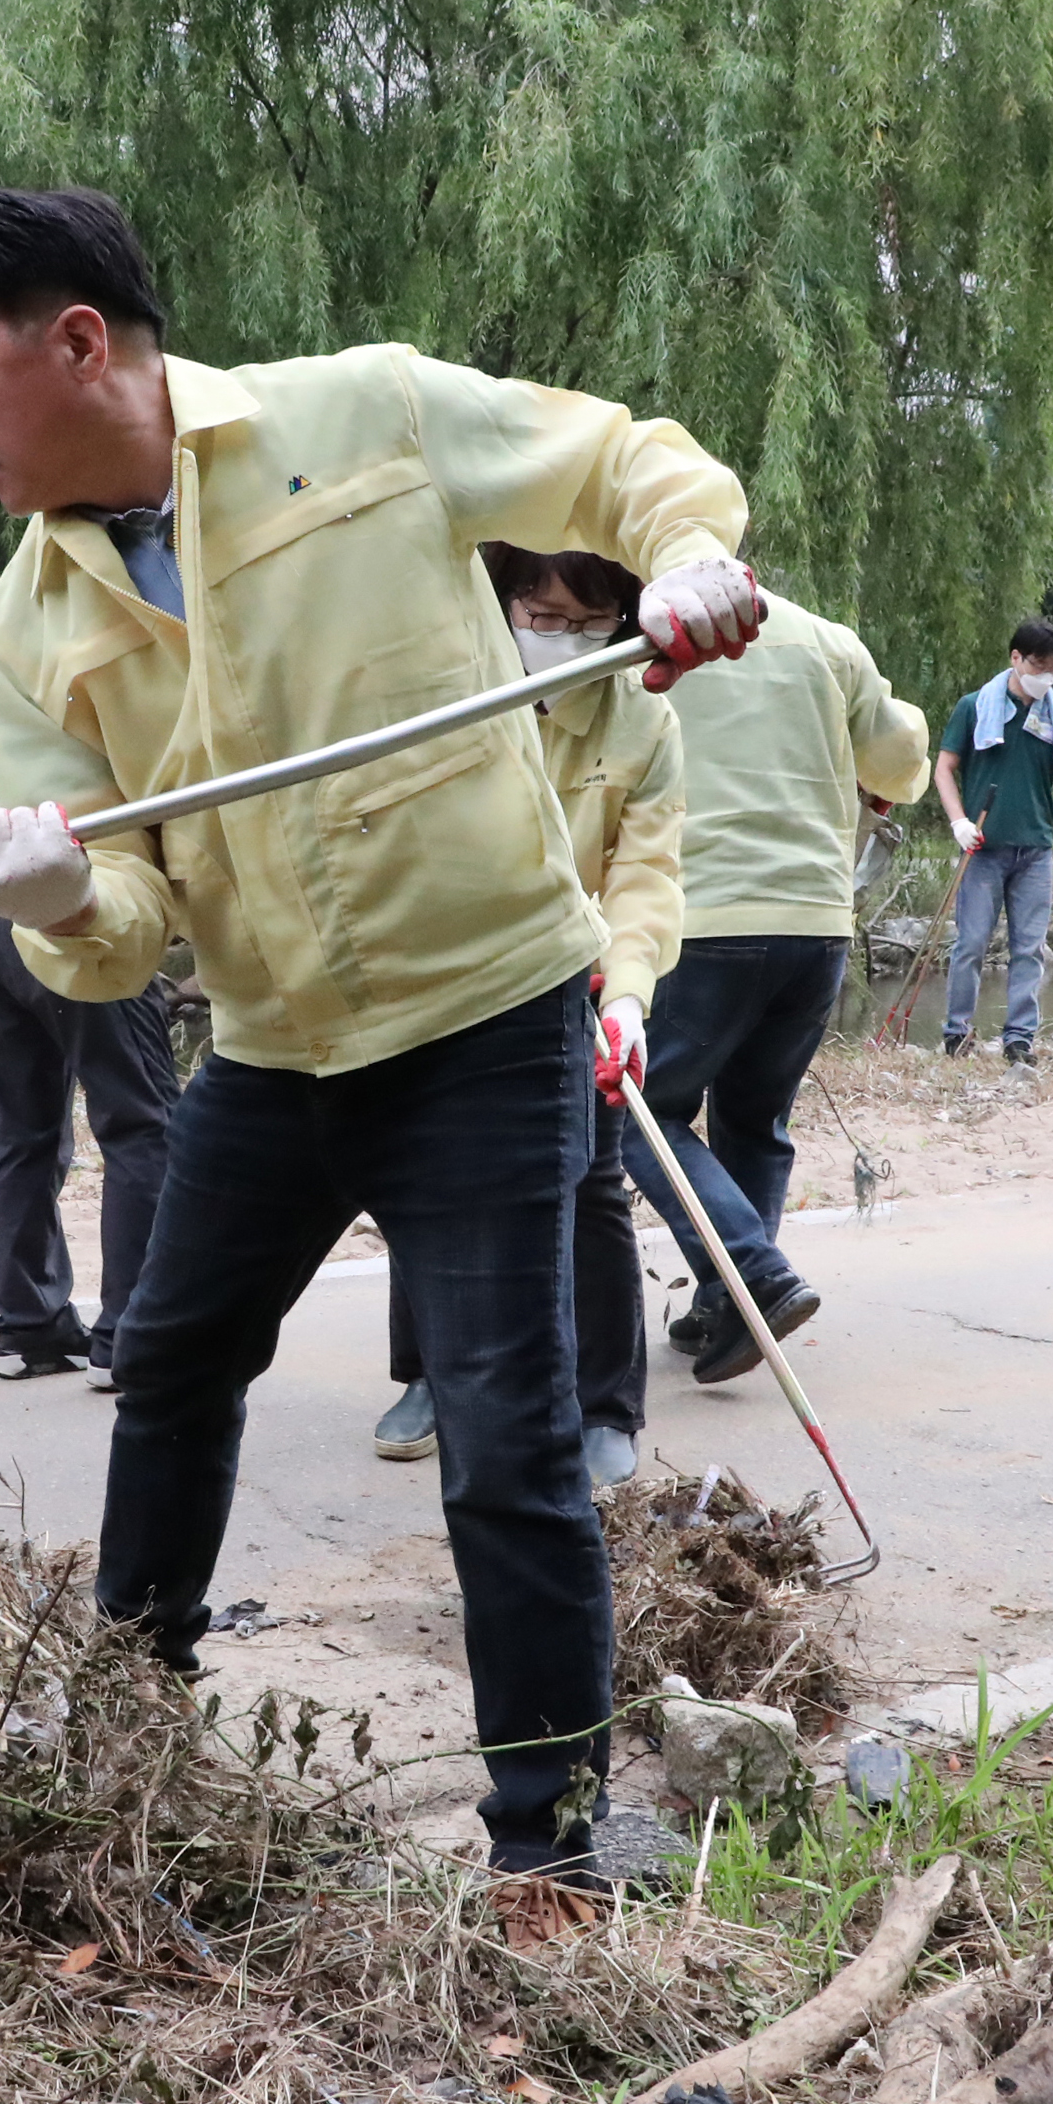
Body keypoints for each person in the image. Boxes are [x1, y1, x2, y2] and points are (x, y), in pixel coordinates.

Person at [0, 184, 762, 1889]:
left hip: (486, 1014)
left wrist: (684, 556)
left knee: (508, 1444)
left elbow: (618, 459)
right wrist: (57, 895)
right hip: (276, 1051)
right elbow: (133, 927)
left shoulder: (357, 417)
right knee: (164, 1369)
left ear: (75, 341)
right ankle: (127, 1766)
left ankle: (548, 1848)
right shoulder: (27, 631)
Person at [374, 547, 682, 1492]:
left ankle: (604, 1406)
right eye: (539, 617)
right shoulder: (452, 690)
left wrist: (626, 993)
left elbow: (645, 872)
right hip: (452, 967)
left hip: (576, 981)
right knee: (429, 1176)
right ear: (501, 603)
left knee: (590, 1181)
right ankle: (431, 1375)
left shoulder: (640, 718)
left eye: (585, 625)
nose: (558, 639)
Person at [628, 592, 931, 1383]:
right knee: (754, 1120)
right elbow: (898, 758)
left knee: (634, 1110)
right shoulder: (826, 640)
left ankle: (751, 1276)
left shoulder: (648, 640)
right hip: (816, 925)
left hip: (704, 916)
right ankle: (727, 1310)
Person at [0, 643, 180, 1383]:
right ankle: (131, 1333)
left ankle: (31, 1325)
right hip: (70, 890)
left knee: (22, 1122)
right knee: (140, 1120)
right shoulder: (96, 628)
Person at [936, 618, 1053, 1065]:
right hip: (983, 850)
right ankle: (957, 1033)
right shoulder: (973, 707)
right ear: (1015, 659)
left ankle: (1019, 1038)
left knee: (1029, 948)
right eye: (1038, 666)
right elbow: (943, 768)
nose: (1046, 677)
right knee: (971, 945)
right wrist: (958, 821)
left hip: (1035, 849)